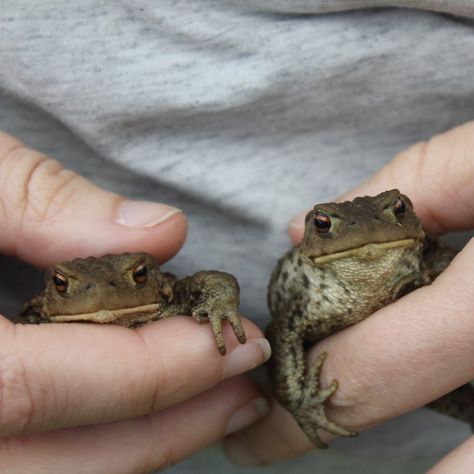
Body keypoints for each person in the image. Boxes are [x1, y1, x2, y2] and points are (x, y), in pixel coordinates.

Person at [1, 2, 473, 473]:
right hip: (52, 431)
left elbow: (237, 302)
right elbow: (284, 331)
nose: (367, 233)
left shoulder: (420, 253)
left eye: (397, 212)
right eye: (325, 225)